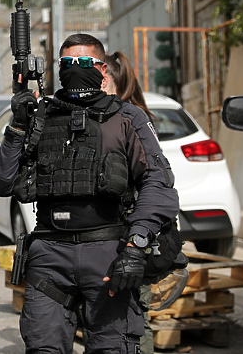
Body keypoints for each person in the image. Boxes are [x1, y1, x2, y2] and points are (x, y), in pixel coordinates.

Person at [0, 33, 179, 354]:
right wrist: (17, 128)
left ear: (102, 70)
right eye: (67, 63)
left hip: (108, 254)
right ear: (57, 69)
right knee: (43, 347)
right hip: (49, 254)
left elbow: (158, 185)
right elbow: (0, 183)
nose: (75, 69)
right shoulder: (40, 118)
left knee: (112, 348)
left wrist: (137, 244)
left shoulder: (127, 119)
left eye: (83, 62)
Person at [103, 50, 156, 354]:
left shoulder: (130, 119)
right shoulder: (130, 113)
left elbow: (150, 184)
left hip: (133, 235)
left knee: (135, 318)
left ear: (106, 78)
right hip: (126, 234)